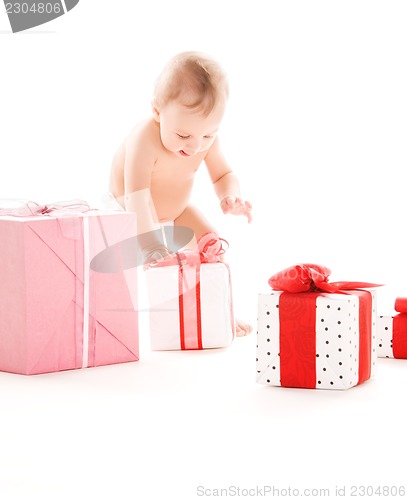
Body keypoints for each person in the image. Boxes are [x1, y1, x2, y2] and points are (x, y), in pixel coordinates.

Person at [109, 51, 252, 336]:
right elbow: (136, 196)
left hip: (176, 211)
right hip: (128, 212)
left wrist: (230, 195)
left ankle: (222, 312)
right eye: (184, 136)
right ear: (158, 111)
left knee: (213, 250)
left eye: (208, 135)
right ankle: (120, 326)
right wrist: (150, 245)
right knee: (129, 274)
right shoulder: (144, 139)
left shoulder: (203, 139)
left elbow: (224, 174)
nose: (197, 145)